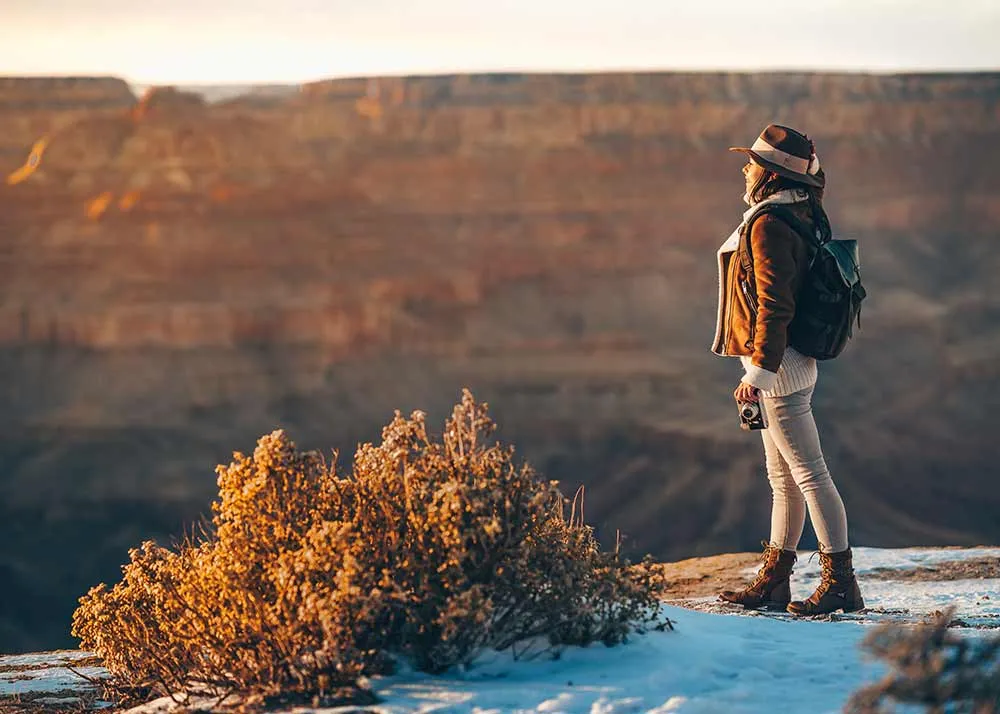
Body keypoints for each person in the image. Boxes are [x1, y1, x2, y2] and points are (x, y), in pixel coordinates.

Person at [710, 124, 864, 615]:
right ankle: (774, 581)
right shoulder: (798, 211)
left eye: (753, 162)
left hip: (780, 371)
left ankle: (840, 582)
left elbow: (774, 307)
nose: (745, 168)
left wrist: (757, 376)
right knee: (783, 479)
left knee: (810, 475)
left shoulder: (769, 224)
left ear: (771, 175)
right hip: (785, 365)